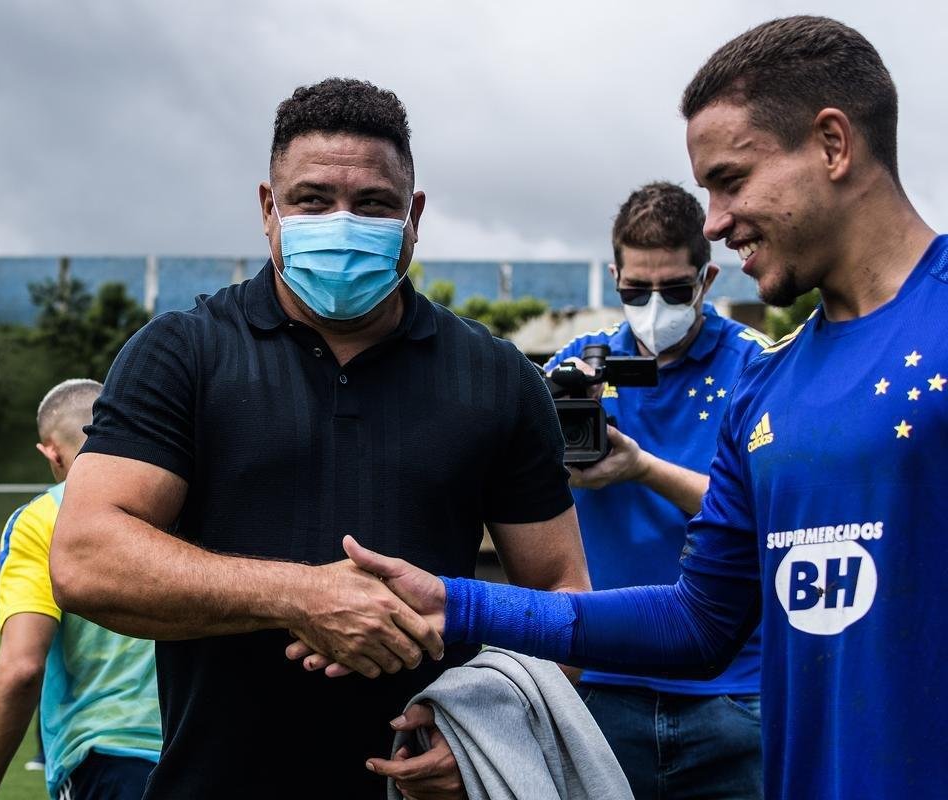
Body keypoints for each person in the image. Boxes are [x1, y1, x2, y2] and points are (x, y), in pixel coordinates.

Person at [296, 16, 947, 800]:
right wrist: (457, 600)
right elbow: (696, 624)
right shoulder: (767, 387)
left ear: (834, 145)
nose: (712, 221)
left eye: (731, 179)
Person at [49, 78, 590, 797]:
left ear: (414, 216)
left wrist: (492, 731)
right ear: (269, 209)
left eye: (372, 204)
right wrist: (299, 595)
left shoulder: (496, 376)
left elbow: (560, 590)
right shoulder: (182, 352)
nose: (342, 223)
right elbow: (86, 557)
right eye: (312, 200)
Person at [542, 182, 769, 799]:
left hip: (732, 691)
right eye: (635, 291)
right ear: (614, 275)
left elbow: (764, 509)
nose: (653, 306)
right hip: (601, 682)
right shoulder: (572, 369)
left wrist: (643, 469)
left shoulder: (757, 366)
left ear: (707, 278)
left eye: (673, 290)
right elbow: (514, 487)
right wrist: (552, 437)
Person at [0, 379, 162, 800]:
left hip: (107, 757)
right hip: (205, 754)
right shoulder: (179, 500)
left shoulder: (41, 519)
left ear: (49, 452)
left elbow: (21, 669)